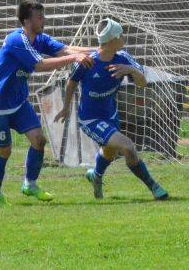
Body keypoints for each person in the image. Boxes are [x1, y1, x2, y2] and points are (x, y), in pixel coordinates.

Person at [0, 1, 92, 206]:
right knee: (5, 150)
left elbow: (64, 50)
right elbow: (39, 65)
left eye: (43, 16)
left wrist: (96, 50)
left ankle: (29, 185)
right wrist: (75, 58)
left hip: (18, 101)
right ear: (26, 21)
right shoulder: (17, 40)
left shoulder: (39, 39)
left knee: (39, 140)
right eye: (39, 17)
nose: (43, 20)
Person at [54, 18, 169, 201]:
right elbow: (71, 83)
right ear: (112, 40)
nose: (124, 38)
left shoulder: (124, 58)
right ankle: (154, 187)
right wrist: (66, 108)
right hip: (91, 120)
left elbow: (143, 83)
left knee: (109, 152)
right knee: (128, 147)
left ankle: (95, 175)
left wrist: (131, 70)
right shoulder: (87, 62)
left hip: (111, 114)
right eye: (121, 35)